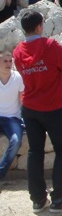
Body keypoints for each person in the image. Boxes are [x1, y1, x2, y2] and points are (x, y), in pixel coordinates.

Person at [13, 11, 62, 212]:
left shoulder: (17, 51)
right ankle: (59, 199)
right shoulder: (50, 45)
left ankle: (38, 200)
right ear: (40, 26)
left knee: (35, 152)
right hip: (53, 107)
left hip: (30, 108)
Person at [0, 49, 24, 180]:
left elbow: (23, 99)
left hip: (12, 118)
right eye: (5, 61)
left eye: (10, 61)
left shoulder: (17, 77)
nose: (8, 64)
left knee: (16, 141)